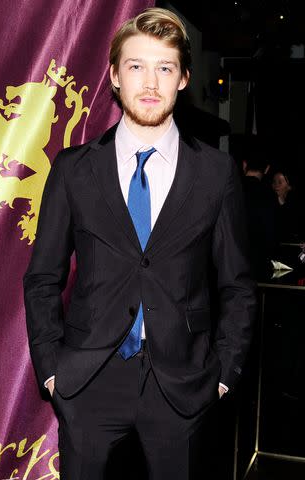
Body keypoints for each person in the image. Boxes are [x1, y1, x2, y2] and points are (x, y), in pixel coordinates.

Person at [23, 7, 256, 479]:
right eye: (136, 66)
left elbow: (238, 286)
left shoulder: (215, 174)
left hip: (184, 384)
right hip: (88, 380)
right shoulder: (73, 169)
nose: (150, 83)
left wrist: (225, 377)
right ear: (114, 76)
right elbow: (42, 278)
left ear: (185, 78)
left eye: (165, 68)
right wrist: (52, 370)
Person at [242, 150, 279, 274]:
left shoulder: (230, 189)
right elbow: (271, 235)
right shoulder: (268, 196)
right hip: (256, 264)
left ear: (244, 165)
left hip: (228, 263)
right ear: (267, 169)